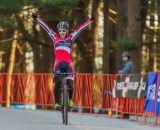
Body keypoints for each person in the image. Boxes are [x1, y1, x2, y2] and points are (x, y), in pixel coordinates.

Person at [32, 12, 95, 109]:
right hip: (58, 65)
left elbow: (80, 29)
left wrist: (90, 20)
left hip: (68, 64)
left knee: (70, 84)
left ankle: (70, 100)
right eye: (60, 30)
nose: (61, 32)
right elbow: (46, 27)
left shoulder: (71, 37)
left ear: (67, 31)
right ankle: (57, 103)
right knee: (57, 83)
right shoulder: (55, 36)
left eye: (64, 30)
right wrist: (36, 18)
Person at [118, 51, 134, 119]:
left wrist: (119, 72)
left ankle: (125, 114)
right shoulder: (127, 63)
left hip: (127, 82)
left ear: (128, 57)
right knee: (125, 98)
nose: (123, 58)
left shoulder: (128, 64)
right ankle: (125, 114)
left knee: (125, 98)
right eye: (123, 57)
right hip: (127, 82)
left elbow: (124, 71)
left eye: (125, 57)